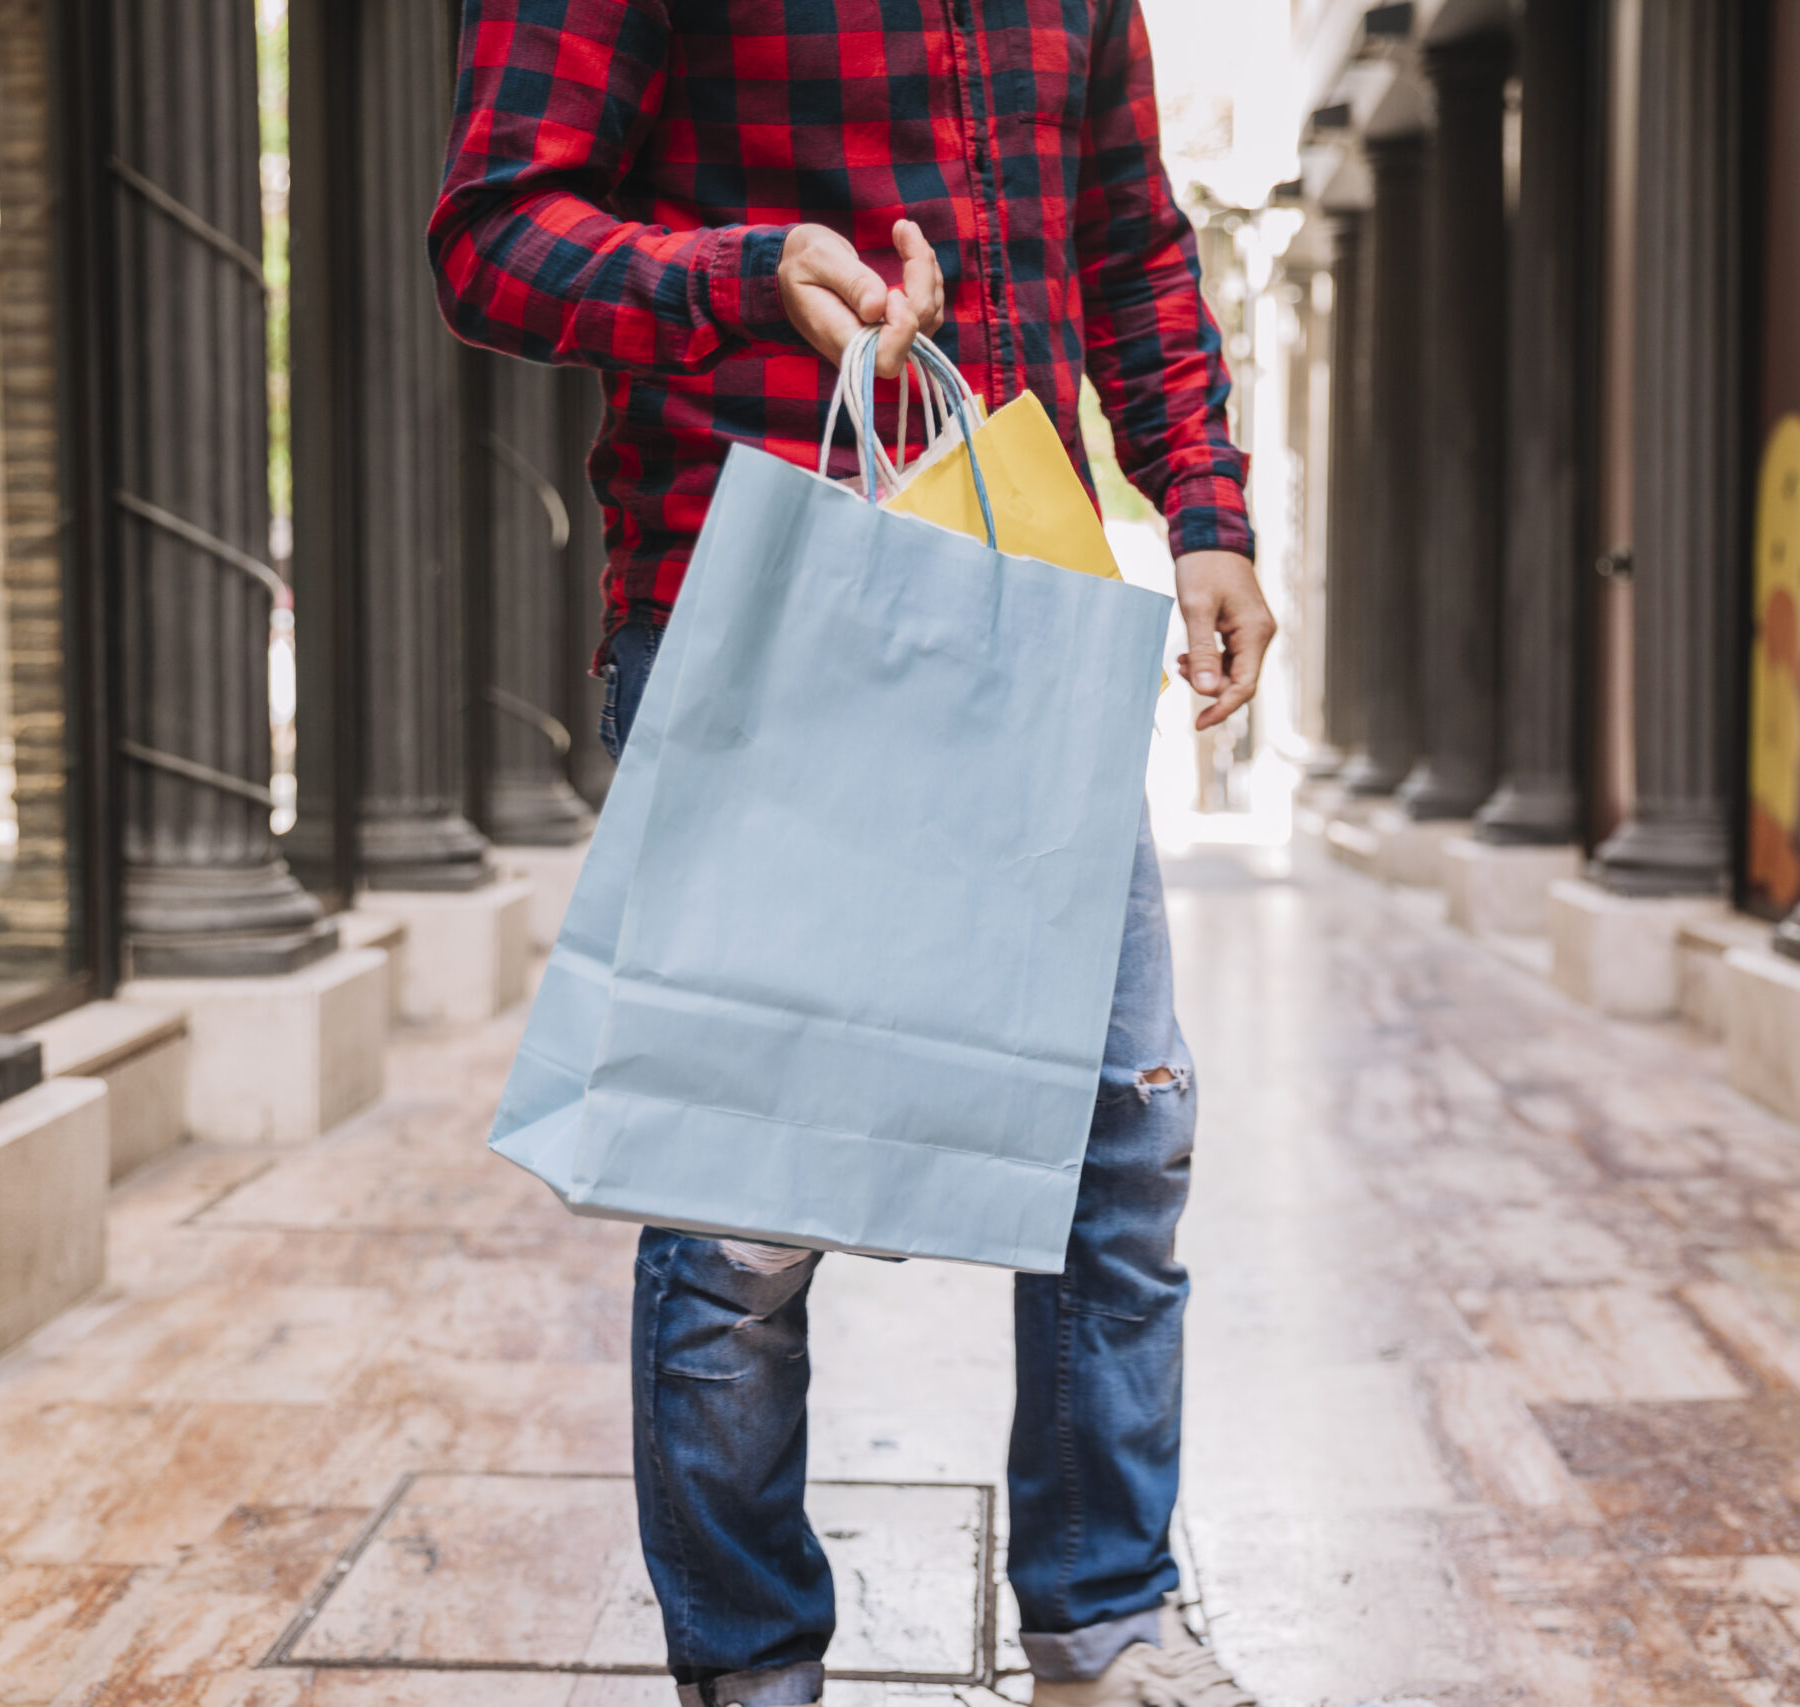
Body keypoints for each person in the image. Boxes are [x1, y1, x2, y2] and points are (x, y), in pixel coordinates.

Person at [429, 4, 1273, 1704]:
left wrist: (1203, 509)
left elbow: (1130, 236)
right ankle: (753, 1671)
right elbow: (495, 237)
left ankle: (1103, 1622)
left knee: (1124, 1128)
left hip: (1019, 595)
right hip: (760, 600)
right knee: (748, 1186)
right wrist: (744, 273)